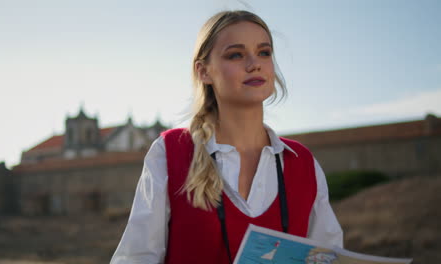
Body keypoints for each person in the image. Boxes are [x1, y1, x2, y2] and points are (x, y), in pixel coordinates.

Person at [110, 10, 343, 264]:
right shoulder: (170, 152)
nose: (255, 64)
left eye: (264, 52)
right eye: (236, 55)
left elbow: (328, 256)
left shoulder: (302, 162)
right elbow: (136, 258)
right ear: (204, 72)